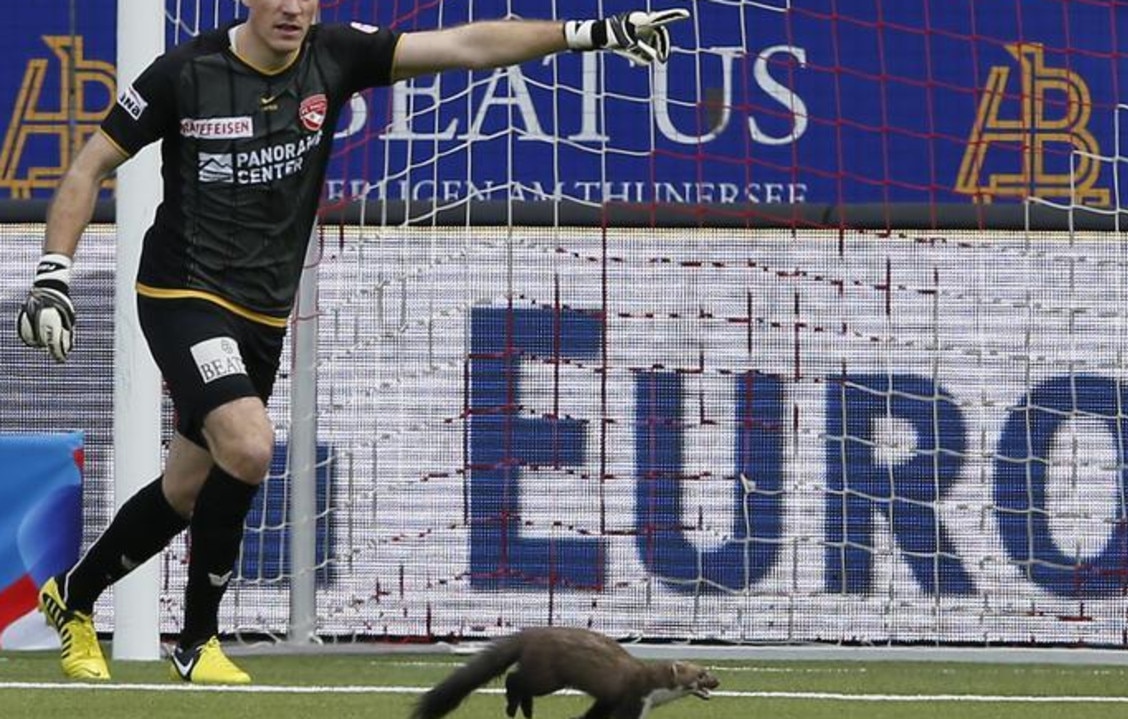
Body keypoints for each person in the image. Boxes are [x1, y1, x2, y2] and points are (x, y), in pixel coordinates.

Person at [16, 0, 689, 685]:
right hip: (181, 295)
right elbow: (87, 167)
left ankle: (71, 595)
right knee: (249, 446)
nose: (290, 8)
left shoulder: (335, 55)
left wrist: (587, 34)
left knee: (186, 488)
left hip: (263, 313)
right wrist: (53, 275)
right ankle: (197, 639)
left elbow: (466, 45)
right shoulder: (185, 73)